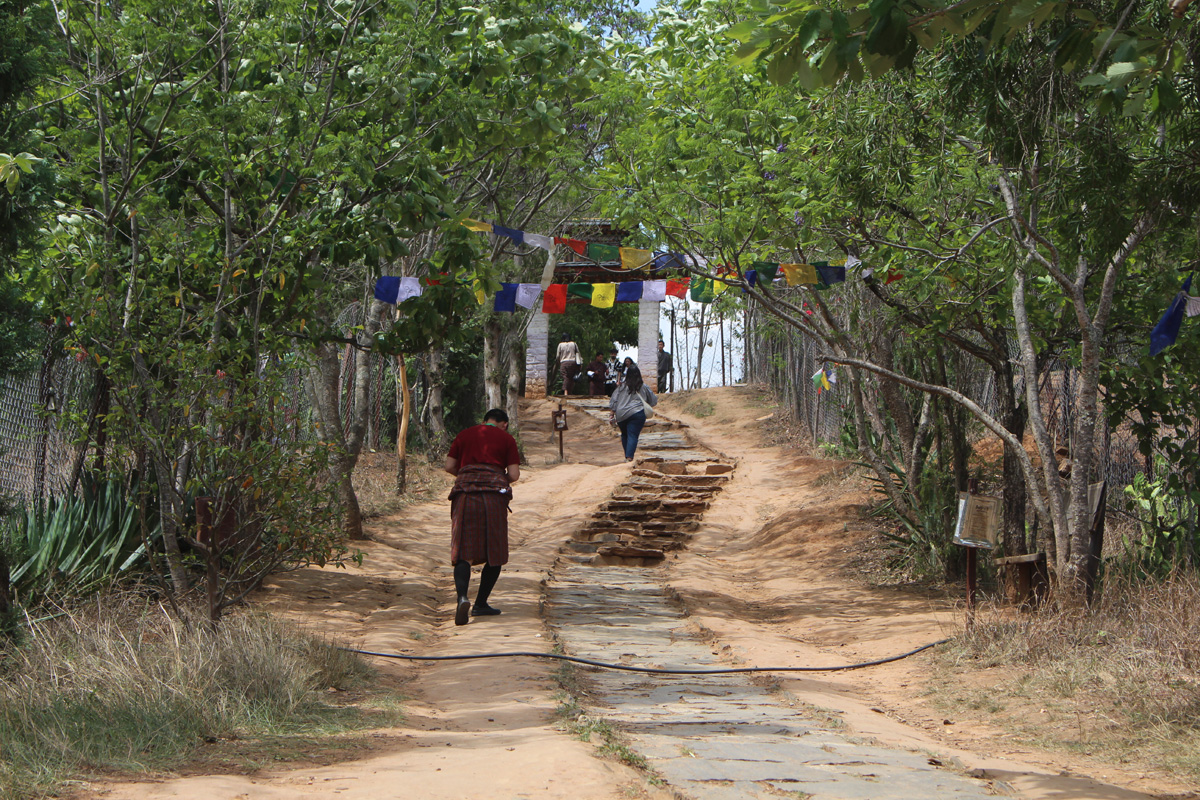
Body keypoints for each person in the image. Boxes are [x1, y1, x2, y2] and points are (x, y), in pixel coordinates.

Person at [444, 408, 521, 626]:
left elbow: (449, 466)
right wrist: (496, 477)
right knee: (495, 551)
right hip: (493, 499)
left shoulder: (465, 434)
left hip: (465, 496)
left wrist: (469, 474)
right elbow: (513, 475)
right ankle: (480, 604)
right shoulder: (506, 439)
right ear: (503, 423)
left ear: (485, 420)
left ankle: (461, 597)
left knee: (463, 550)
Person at [608, 365, 657, 462]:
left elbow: (613, 401)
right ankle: (629, 457)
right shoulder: (643, 387)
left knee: (625, 435)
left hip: (621, 415)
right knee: (633, 435)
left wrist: (611, 414)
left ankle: (627, 456)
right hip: (637, 414)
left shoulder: (621, 387)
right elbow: (653, 401)